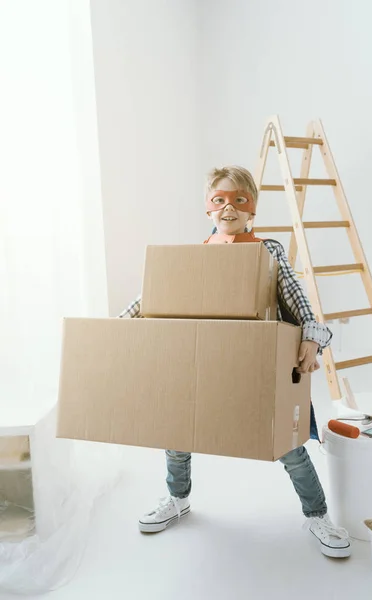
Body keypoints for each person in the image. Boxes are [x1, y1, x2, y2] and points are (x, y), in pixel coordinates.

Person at [119, 165, 351, 559]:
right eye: (219, 200)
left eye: (239, 200)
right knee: (177, 434)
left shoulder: (268, 251)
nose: (229, 208)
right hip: (202, 363)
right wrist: (115, 329)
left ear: (252, 209)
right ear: (208, 210)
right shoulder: (195, 256)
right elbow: (155, 296)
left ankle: (316, 515)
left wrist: (312, 336)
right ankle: (178, 498)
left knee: (288, 446)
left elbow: (299, 302)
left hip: (254, 365)